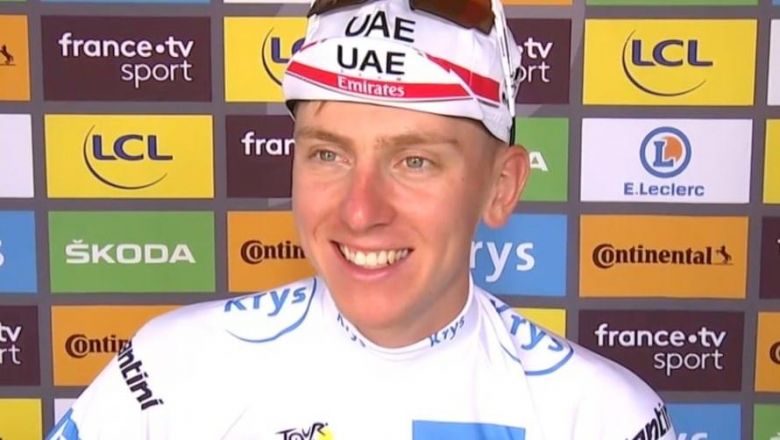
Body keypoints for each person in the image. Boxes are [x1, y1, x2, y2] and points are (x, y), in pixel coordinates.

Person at [47, 1, 677, 439]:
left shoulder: (600, 419)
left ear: (501, 187)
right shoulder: (170, 372)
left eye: (414, 161)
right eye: (328, 154)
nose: (360, 210)